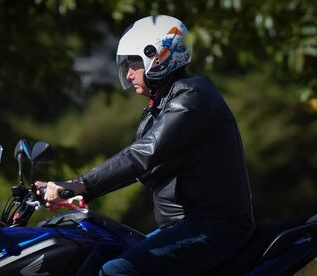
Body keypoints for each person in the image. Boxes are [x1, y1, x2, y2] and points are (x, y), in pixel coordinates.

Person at [36, 15, 255, 275]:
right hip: (183, 227)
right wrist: (78, 192)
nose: (128, 74)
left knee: (117, 271)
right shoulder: (161, 105)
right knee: (95, 251)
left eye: (134, 63)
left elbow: (141, 155)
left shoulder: (192, 99)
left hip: (214, 227)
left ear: (158, 57)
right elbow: (134, 166)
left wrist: (80, 184)